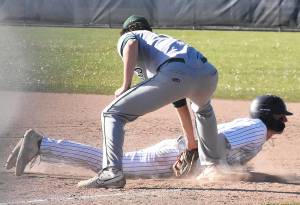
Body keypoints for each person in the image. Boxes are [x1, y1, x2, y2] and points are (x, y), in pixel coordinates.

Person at [6, 95, 293, 183]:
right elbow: (217, 138)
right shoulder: (255, 129)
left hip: (177, 153)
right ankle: (41, 144)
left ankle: (41, 145)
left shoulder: (255, 132)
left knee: (111, 165)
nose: (284, 122)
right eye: (282, 117)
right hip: (176, 155)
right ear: (270, 116)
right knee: (111, 167)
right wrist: (208, 165)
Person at [75, 15, 220, 188]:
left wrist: (125, 86)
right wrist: (190, 143)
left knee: (112, 113)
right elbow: (179, 102)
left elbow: (130, 44)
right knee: (203, 110)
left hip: (175, 71)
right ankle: (214, 168)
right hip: (209, 74)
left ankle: (111, 172)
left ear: (128, 30)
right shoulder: (161, 44)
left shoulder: (132, 35)